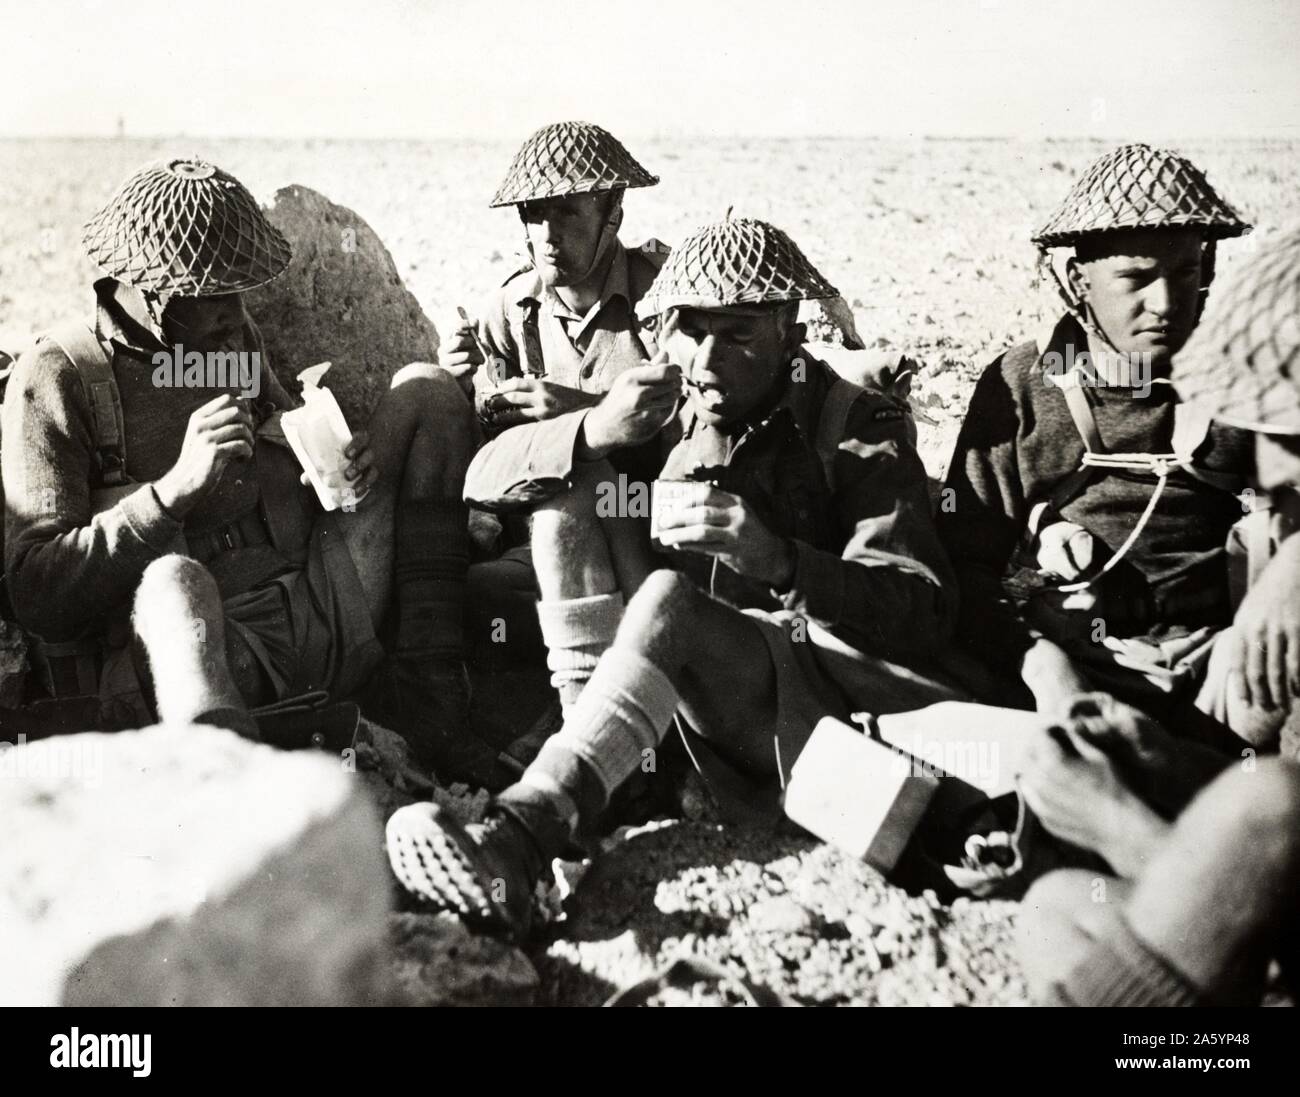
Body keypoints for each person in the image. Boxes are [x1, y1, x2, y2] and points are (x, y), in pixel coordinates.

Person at [387, 216, 966, 937]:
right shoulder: (679, 410)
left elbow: (922, 609)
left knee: (667, 600)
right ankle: (597, 767)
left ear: (790, 332)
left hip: (804, 703)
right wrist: (596, 428)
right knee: (571, 501)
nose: (707, 359)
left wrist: (782, 561)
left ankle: (527, 833)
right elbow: (486, 479)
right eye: (690, 330)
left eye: (738, 334)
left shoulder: (855, 427)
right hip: (680, 692)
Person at [0, 157, 510, 785]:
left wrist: (331, 460)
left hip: (314, 605)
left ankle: (430, 705)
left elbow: (286, 444)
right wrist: (171, 493)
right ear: (153, 292)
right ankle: (226, 792)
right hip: (193, 658)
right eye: (215, 296)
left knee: (428, 395)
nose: (236, 312)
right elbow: (35, 593)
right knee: (174, 582)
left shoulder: (229, 336)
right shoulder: (60, 376)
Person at [1016, 226, 1300, 1006]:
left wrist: (1115, 822)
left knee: (1260, 805)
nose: (1167, 303)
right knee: (1054, 909)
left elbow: (1273, 836)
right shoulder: (1028, 382)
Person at [935, 143, 1289, 751]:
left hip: (1232, 664)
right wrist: (1040, 661)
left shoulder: (1247, 374)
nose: (1168, 304)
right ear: (1079, 282)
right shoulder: (1025, 383)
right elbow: (961, 562)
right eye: (1136, 279)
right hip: (1077, 666)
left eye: (1186, 273)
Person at [438, 121, 666, 676]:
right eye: (533, 213)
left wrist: (581, 414)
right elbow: (488, 435)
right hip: (548, 534)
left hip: (644, 522)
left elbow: (700, 424)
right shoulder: (513, 308)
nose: (546, 232)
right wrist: (463, 382)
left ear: (613, 212)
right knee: (481, 594)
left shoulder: (661, 298)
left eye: (567, 211)